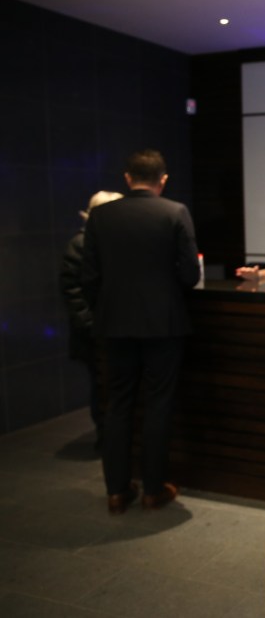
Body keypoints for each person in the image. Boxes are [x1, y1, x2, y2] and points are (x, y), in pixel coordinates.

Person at [81, 149, 201, 515]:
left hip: (114, 326)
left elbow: (89, 277)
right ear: (162, 180)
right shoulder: (174, 212)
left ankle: (116, 491)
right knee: (158, 405)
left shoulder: (100, 217)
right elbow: (189, 276)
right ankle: (153, 489)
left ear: (128, 178)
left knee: (117, 406)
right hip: (164, 326)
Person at [59, 190, 125, 451]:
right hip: (94, 334)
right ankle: (106, 439)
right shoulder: (81, 244)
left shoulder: (101, 243)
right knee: (102, 387)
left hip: (103, 331)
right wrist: (92, 327)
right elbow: (73, 293)